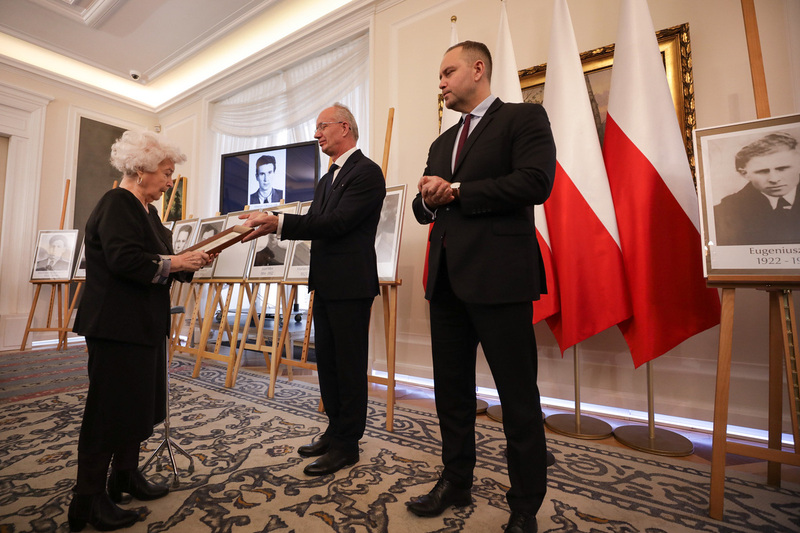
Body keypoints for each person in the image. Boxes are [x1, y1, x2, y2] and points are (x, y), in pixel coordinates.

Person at [407, 41, 556, 533]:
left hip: (500, 279)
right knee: (451, 392)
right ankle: (456, 480)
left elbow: (536, 182)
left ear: (478, 68)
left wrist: (460, 192)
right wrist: (429, 201)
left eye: (448, 71)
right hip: (447, 280)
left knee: (517, 396)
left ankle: (525, 505)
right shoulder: (441, 141)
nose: (442, 82)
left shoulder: (524, 119)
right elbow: (423, 208)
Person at [70, 130, 213, 532]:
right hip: (116, 325)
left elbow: (161, 262)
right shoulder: (118, 202)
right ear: (140, 169)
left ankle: (125, 476)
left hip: (143, 322)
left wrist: (189, 262)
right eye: (167, 173)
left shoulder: (149, 213)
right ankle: (87, 500)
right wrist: (178, 263)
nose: (170, 181)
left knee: (136, 406)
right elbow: (125, 260)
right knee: (107, 412)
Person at [239, 103, 385, 476]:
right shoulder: (325, 179)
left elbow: (336, 223)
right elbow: (319, 223)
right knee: (329, 365)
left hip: (352, 286)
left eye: (322, 127)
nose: (317, 134)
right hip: (325, 283)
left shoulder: (367, 172)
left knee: (349, 367)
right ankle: (335, 430)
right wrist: (277, 224)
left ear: (345, 128)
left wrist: (278, 223)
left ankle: (348, 445)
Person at [713, 131, 800, 245]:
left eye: (782, 169)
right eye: (763, 171)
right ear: (744, 174)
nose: (774, 179)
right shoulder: (725, 212)